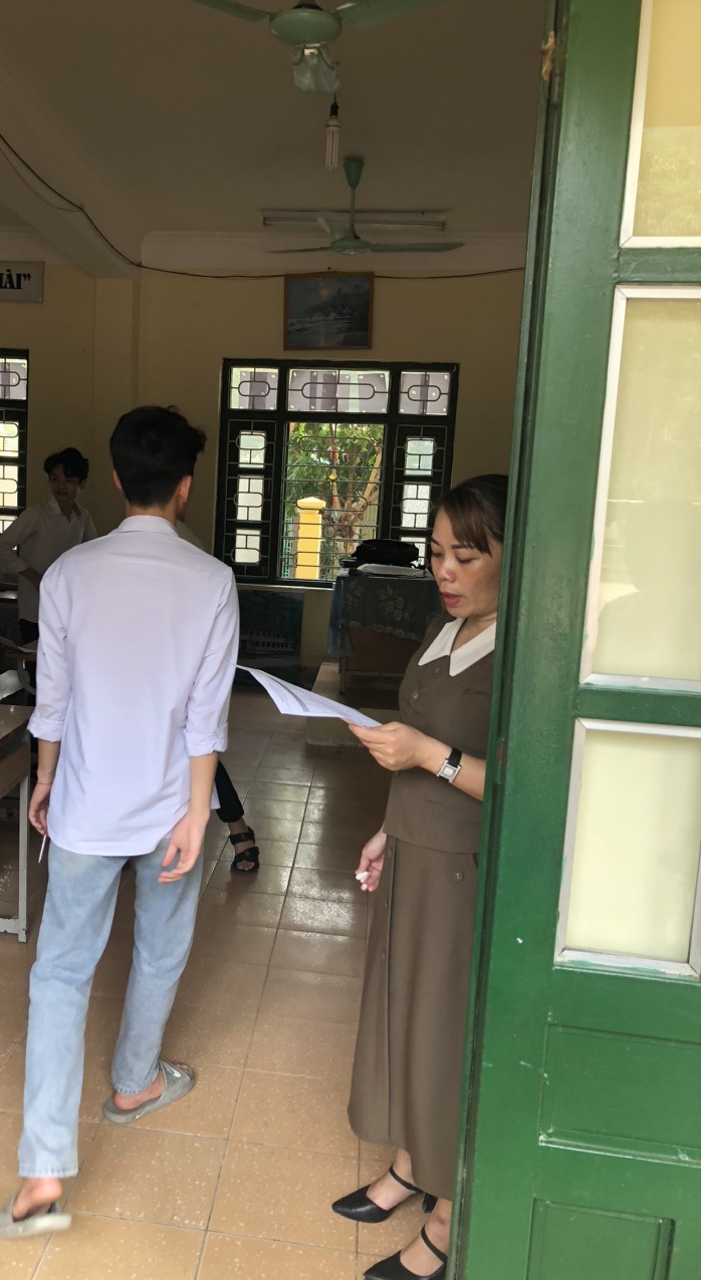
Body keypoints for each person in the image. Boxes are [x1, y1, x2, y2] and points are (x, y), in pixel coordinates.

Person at [0, 405, 238, 1240]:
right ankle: (134, 1085)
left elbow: (52, 701)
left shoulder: (70, 573)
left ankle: (41, 1168)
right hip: (171, 810)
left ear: (113, 478)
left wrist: (45, 780)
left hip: (84, 808)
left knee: (59, 976)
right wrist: (200, 814)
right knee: (160, 951)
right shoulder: (211, 581)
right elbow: (206, 720)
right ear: (185, 487)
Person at [332, 474, 508, 1280]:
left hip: (463, 872)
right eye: (436, 553)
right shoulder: (449, 629)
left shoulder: (518, 651)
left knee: (444, 1033)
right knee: (404, 1013)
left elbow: (522, 786)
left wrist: (427, 755)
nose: (444, 571)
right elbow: (417, 745)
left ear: (511, 556)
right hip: (415, 849)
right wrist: (386, 829)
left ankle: (447, 1216)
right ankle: (412, 1164)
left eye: (465, 557)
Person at [176, 520, 261, 875]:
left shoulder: (187, 544)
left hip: (182, 669)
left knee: (198, 748)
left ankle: (237, 826)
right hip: (136, 677)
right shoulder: (112, 549)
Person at [0, 447, 97, 647]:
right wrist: (33, 576)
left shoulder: (83, 516)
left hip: (68, 607)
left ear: (82, 483)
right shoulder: (36, 514)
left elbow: (93, 553)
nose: (60, 486)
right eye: (55, 479)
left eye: (68, 481)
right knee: (37, 662)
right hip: (35, 608)